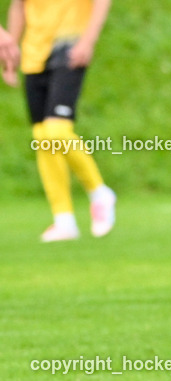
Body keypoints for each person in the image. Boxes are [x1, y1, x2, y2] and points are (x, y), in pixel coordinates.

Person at [5, 0, 116, 242]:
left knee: (56, 131)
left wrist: (88, 41)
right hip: (34, 52)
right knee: (43, 137)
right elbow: (18, 6)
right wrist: (11, 50)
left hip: (70, 47)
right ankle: (64, 220)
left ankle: (99, 192)